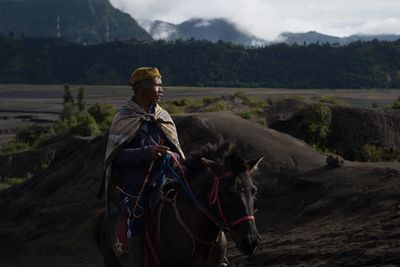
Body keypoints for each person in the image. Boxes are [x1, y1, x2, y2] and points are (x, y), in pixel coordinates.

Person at [103, 67, 185, 267]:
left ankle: (215, 255)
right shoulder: (124, 118)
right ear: (142, 88)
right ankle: (137, 261)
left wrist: (171, 155)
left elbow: (177, 150)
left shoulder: (163, 116)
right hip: (137, 185)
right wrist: (146, 153)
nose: (161, 89)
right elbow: (116, 157)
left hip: (168, 178)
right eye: (157, 85)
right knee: (136, 216)